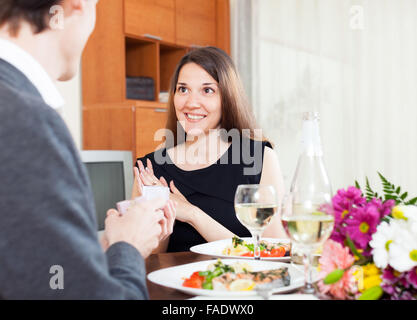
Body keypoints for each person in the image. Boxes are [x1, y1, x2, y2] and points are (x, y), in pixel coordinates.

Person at [0, 0, 176, 299]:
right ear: (76, 4)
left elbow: (34, 275)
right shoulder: (28, 120)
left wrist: (92, 251)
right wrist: (129, 247)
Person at [132, 46, 287, 253]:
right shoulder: (151, 169)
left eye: (207, 90)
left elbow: (275, 254)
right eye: (183, 89)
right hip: (174, 285)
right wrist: (158, 218)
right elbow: (145, 263)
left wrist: (193, 215)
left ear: (227, 97)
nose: (191, 103)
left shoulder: (260, 159)